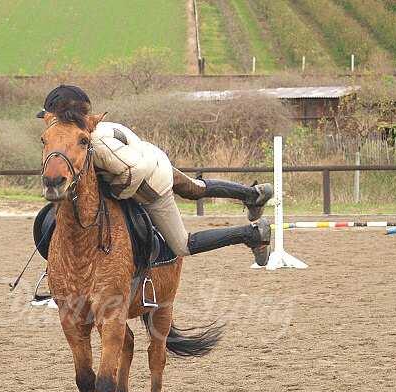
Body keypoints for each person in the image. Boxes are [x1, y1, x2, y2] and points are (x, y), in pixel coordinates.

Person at [36, 85, 273, 265]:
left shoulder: (96, 145)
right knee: (196, 188)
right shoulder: (92, 126)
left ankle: (251, 234)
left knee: (182, 245)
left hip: (151, 184)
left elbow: (134, 172)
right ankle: (252, 194)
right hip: (154, 158)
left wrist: (115, 192)